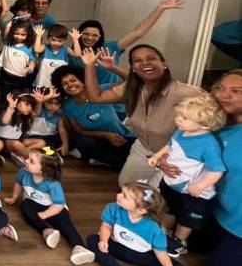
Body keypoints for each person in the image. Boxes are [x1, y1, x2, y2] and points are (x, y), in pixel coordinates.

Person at [82, 45, 204, 186]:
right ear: (133, 68)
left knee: (156, 194)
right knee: (126, 185)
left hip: (175, 155)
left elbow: (209, 128)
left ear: (163, 63)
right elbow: (96, 97)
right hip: (144, 148)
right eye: (138, 60)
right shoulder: (133, 89)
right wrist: (90, 65)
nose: (145, 63)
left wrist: (178, 156)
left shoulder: (187, 94)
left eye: (151, 58)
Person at [75, 182, 186, 266]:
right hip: (117, 247)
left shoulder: (154, 228)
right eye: (121, 192)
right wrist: (104, 240)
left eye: (124, 196)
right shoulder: (113, 208)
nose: (118, 195)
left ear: (141, 210)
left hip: (141, 255)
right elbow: (106, 225)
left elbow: (160, 252)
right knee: (93, 239)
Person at [147, 95, 226, 255]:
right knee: (168, 208)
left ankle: (179, 241)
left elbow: (217, 170)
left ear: (204, 123)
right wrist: (157, 156)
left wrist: (199, 186)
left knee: (187, 218)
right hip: (173, 182)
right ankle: (163, 233)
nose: (177, 119)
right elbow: (169, 146)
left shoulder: (208, 144)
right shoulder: (181, 132)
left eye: (184, 117)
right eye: (178, 115)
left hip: (194, 192)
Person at [4, 149, 90, 264]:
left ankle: (79, 247)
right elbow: (18, 183)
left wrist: (45, 214)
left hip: (55, 208)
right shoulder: (23, 172)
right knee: (25, 207)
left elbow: (59, 204)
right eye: (28, 158)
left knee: (66, 225)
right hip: (33, 203)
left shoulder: (53, 184)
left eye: (31, 161)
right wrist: (14, 197)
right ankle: (46, 231)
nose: (26, 161)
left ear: (44, 170)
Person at [51, 64, 134, 171]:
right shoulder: (67, 106)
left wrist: (111, 67)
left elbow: (130, 80)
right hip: (98, 143)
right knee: (83, 142)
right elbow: (79, 130)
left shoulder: (100, 90)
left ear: (83, 80)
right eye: (64, 84)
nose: (70, 84)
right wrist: (106, 135)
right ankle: (116, 164)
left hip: (122, 137)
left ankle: (107, 162)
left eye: (73, 80)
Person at [207, 69, 242, 266]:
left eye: (236, 91)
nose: (223, 95)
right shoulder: (216, 127)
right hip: (218, 210)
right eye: (220, 88)